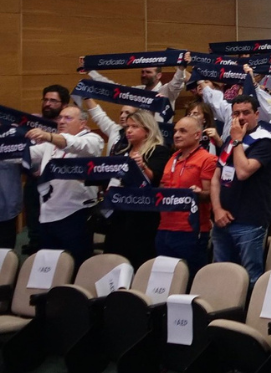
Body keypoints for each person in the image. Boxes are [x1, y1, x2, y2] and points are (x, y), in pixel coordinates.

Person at [209, 95, 271, 284]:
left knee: (250, 277)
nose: (240, 118)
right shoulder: (230, 140)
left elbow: (242, 172)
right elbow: (215, 178)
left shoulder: (265, 141)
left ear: (256, 114)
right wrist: (217, 209)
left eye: (246, 113)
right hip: (222, 220)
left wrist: (238, 141)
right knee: (220, 276)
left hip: (249, 221)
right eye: (236, 113)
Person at [25, 105, 104, 268]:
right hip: (48, 215)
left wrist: (48, 136)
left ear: (82, 123)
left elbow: (74, 144)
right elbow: (25, 154)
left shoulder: (92, 140)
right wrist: (9, 146)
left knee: (76, 266)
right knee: (49, 267)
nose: (61, 121)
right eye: (60, 117)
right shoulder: (51, 144)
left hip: (75, 214)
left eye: (68, 118)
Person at [104, 109, 172, 268]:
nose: (129, 130)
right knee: (114, 258)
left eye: (134, 127)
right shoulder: (122, 151)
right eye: (128, 126)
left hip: (142, 215)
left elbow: (155, 178)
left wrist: (143, 166)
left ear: (147, 130)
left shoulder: (158, 150)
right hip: (119, 212)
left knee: (138, 259)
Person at [158, 116, 218, 277]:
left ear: (197, 135)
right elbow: (162, 188)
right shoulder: (172, 158)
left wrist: (197, 194)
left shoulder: (207, 159)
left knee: (189, 280)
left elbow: (211, 194)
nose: (176, 135)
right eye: (175, 131)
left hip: (191, 230)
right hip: (164, 228)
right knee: (163, 280)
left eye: (183, 131)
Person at [23, 84, 70, 253]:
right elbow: (20, 148)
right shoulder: (31, 121)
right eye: (46, 100)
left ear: (64, 105)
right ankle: (34, 247)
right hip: (32, 179)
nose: (48, 104)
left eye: (53, 101)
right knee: (33, 217)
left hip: (56, 184)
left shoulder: (68, 126)